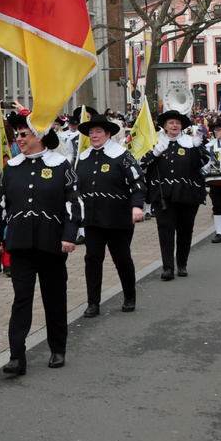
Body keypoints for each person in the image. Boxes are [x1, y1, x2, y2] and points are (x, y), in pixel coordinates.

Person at [0, 114, 78, 375]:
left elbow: (73, 203)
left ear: (39, 136)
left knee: (54, 298)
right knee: (21, 300)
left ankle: (57, 348)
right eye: (16, 134)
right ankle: (17, 356)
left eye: (23, 134)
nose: (18, 139)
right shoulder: (11, 167)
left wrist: (70, 235)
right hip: (20, 244)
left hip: (52, 243)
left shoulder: (61, 164)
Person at [74, 108, 144, 315]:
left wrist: (137, 206)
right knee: (92, 260)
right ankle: (93, 303)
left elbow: (138, 182)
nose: (94, 136)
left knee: (122, 259)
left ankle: (129, 297)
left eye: (99, 132)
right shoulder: (83, 158)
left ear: (108, 134)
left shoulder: (122, 156)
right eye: (91, 132)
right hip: (93, 220)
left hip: (118, 219)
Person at [142, 109, 207, 281]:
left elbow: (202, 162)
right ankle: (168, 267)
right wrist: (154, 153)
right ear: (165, 126)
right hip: (163, 195)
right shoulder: (156, 142)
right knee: (165, 231)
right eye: (171, 123)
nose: (174, 125)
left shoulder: (189, 143)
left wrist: (198, 146)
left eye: (177, 123)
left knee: (185, 230)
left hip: (187, 194)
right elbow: (141, 164)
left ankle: (182, 264)